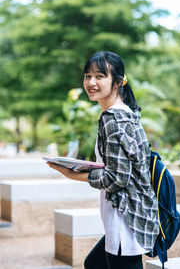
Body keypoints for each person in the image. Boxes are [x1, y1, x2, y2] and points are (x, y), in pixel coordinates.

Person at [46, 51, 159, 269]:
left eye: (99, 76)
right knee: (94, 264)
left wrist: (73, 174)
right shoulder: (126, 112)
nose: (91, 82)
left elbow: (117, 178)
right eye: (87, 76)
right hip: (131, 214)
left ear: (117, 82)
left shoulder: (113, 119)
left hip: (125, 218)